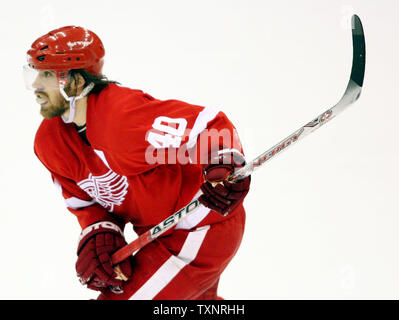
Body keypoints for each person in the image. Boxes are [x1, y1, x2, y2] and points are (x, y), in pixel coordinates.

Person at [24, 26, 251, 300]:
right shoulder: (51, 142)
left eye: (46, 74)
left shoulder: (123, 117)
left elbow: (210, 125)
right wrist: (101, 233)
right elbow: (84, 202)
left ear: (75, 82)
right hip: (160, 237)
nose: (36, 84)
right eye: (35, 72)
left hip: (201, 226)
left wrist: (224, 164)